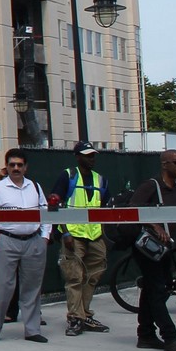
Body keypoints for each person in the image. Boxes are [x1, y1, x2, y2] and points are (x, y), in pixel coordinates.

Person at [128, 150, 176, 351]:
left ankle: (146, 334)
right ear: (164, 164)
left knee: (154, 289)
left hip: (166, 248)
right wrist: (155, 226)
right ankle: (170, 337)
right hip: (148, 248)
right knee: (157, 290)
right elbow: (133, 209)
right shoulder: (151, 186)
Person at [0, 150, 49, 343]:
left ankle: (32, 330)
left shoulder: (35, 187)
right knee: (2, 287)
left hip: (33, 241)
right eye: (12, 165)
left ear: (25, 167)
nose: (16, 168)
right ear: (7, 166)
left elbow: (45, 212)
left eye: (19, 165)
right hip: (8, 241)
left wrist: (44, 237)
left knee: (32, 288)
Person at [50, 141, 111, 337]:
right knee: (74, 277)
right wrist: (65, 232)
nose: (91, 158)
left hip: (94, 234)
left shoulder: (100, 179)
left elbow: (105, 207)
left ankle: (84, 314)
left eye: (93, 155)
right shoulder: (68, 176)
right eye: (87, 155)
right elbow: (56, 205)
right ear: (78, 157)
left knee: (93, 275)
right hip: (74, 235)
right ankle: (75, 318)